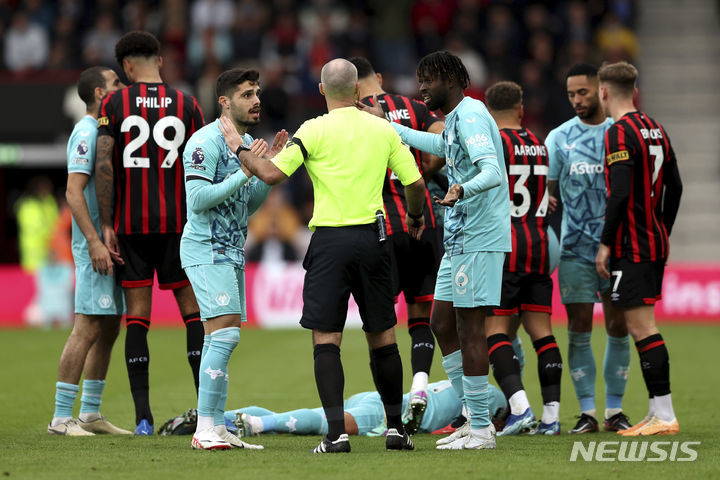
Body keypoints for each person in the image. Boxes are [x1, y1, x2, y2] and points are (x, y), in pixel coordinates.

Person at [221, 58, 426, 453]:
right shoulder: (382, 129)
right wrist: (415, 216)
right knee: (383, 335)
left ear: (321, 91)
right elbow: (414, 183)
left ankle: (336, 435)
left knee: (326, 338)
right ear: (357, 90)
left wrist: (239, 148)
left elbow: (271, 175)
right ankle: (396, 430)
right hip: (374, 239)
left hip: (330, 242)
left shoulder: (312, 130)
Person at [359, 51, 511, 451]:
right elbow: (438, 143)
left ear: (451, 79)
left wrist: (462, 188)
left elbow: (492, 171)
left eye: (428, 80)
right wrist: (389, 127)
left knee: (469, 327)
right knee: (441, 322)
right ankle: (472, 416)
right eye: (419, 79)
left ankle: (481, 429)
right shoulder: (457, 118)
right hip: (460, 236)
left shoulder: (472, 115)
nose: (421, 87)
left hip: (478, 235)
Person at [95, 31, 206, 435]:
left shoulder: (114, 103)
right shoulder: (188, 104)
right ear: (159, 61)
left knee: (138, 318)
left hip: (132, 225)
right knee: (193, 314)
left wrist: (106, 223)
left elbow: (103, 165)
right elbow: (203, 160)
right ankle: (206, 412)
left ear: (126, 66)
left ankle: (143, 417)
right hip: (180, 225)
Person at [180, 68, 278, 451]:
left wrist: (265, 173)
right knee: (225, 335)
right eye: (247, 94)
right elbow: (197, 200)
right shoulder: (203, 142)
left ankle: (217, 426)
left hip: (231, 250)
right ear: (224, 101)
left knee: (218, 338)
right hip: (206, 248)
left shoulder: (248, 142)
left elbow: (247, 204)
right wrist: (245, 171)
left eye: (257, 92)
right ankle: (205, 428)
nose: (256, 100)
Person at [349, 56, 444, 433]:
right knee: (421, 315)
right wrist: (421, 171)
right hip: (423, 223)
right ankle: (420, 387)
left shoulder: (351, 115)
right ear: (379, 77)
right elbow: (442, 145)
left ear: (353, 86)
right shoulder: (414, 107)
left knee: (381, 325)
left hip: (379, 227)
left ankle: (392, 413)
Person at [595, 61, 682, 436]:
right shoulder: (655, 127)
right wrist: (663, 228)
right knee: (638, 324)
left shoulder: (619, 132)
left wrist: (605, 244)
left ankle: (664, 414)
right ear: (633, 90)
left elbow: (619, 193)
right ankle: (656, 411)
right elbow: (675, 186)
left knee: (641, 326)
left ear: (603, 92)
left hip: (632, 244)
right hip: (652, 239)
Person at [545, 63, 632, 434]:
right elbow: (545, 191)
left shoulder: (620, 133)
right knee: (579, 328)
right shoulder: (559, 138)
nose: (576, 100)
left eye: (583, 92)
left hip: (618, 249)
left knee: (618, 325)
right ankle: (588, 413)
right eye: (571, 94)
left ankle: (615, 410)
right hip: (575, 250)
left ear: (601, 90)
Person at [48, 66, 130, 436]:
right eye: (115, 83)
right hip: (93, 246)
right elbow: (73, 191)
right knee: (87, 326)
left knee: (110, 326)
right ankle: (61, 418)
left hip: (109, 244)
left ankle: (90, 413)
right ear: (99, 93)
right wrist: (94, 242)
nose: (122, 88)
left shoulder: (104, 130)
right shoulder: (86, 132)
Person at [484, 81, 564, 436]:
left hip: (506, 249)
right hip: (540, 247)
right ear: (520, 109)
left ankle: (519, 408)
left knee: (494, 332)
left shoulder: (494, 144)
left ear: (489, 113)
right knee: (543, 334)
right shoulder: (539, 144)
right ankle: (552, 417)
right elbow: (542, 193)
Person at [159, 381, 508, 438]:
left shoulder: (460, 380)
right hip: (383, 412)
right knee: (321, 424)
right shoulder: (491, 399)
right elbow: (474, 421)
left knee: (307, 413)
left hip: (376, 398)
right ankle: (248, 423)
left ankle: (214, 417)